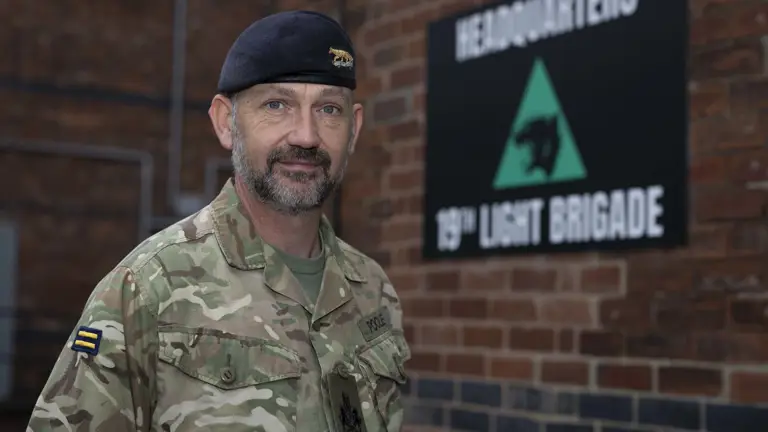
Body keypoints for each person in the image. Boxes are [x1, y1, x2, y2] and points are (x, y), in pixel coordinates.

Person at [27, 10, 410, 432]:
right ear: (226, 123)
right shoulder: (149, 288)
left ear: (353, 129)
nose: (306, 135)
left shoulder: (374, 292)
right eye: (276, 105)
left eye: (328, 109)